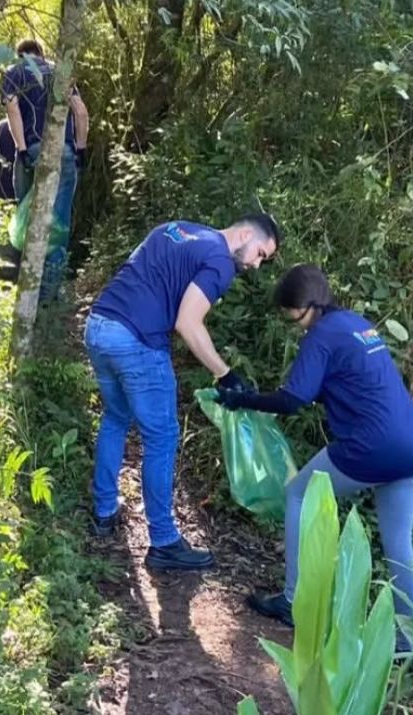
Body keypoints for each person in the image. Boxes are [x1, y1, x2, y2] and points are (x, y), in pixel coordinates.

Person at [215, 264, 413, 649]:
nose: (288, 320)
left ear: (304, 306)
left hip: (373, 446)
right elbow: (342, 382)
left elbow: (292, 399)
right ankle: (408, 639)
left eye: (288, 312)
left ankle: (293, 600)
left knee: (299, 492)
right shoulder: (355, 323)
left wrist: (244, 399)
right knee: (398, 542)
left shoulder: (320, 336)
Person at [87, 214, 282, 571]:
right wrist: (224, 373)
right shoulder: (220, 260)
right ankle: (163, 541)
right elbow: (187, 322)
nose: (255, 265)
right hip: (137, 341)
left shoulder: (176, 229)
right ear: (243, 234)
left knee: (116, 417)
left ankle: (104, 513)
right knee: (162, 437)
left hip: (100, 326)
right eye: (260, 254)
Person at [0, 38, 89, 289]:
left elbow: (12, 109)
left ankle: (23, 281)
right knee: (59, 223)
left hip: (32, 150)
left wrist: (22, 150)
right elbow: (80, 112)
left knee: (27, 219)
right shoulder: (60, 72)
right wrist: (81, 148)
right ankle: (49, 295)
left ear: (20, 54)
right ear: (41, 54)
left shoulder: (14, 71)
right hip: (66, 153)